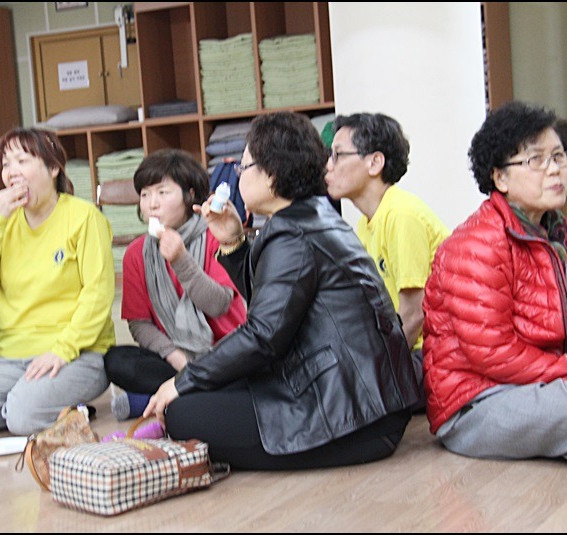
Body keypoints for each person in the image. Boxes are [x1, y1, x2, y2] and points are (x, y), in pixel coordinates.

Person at [144, 111, 421, 470]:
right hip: (367, 403)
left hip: (354, 417)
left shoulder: (293, 234)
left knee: (183, 411)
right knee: (201, 391)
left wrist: (184, 380)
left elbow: (263, 336)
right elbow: (273, 305)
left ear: (272, 175)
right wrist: (232, 243)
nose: (238, 175)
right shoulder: (311, 217)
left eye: (245, 166)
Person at [422, 101, 567, 463]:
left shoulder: (561, 236)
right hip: (478, 402)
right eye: (536, 160)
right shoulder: (475, 244)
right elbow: (494, 352)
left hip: (548, 382)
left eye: (559, 157)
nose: (555, 169)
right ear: (500, 178)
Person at [0, 128, 115, 437]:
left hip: (78, 354)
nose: (12, 172)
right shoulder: (3, 221)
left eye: (22, 161)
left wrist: (62, 349)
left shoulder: (85, 218)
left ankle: (31, 403)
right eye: (6, 164)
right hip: (10, 357)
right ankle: (42, 404)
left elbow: (97, 295)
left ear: (53, 168)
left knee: (22, 417)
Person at [104, 149, 247, 419]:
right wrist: (178, 359)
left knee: (247, 368)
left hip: (223, 352)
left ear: (189, 194)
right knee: (117, 361)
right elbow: (139, 324)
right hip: (176, 357)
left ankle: (163, 400)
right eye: (145, 195)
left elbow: (218, 304)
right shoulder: (137, 253)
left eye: (162, 192)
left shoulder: (216, 236)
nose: (152, 204)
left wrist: (181, 260)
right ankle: (188, 393)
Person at [325, 113, 449, 410]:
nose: (329, 166)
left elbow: (414, 316)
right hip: (411, 351)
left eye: (338, 155)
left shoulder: (400, 215)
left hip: (435, 355)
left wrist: (376, 370)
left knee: (343, 395)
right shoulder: (367, 222)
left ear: (374, 162)